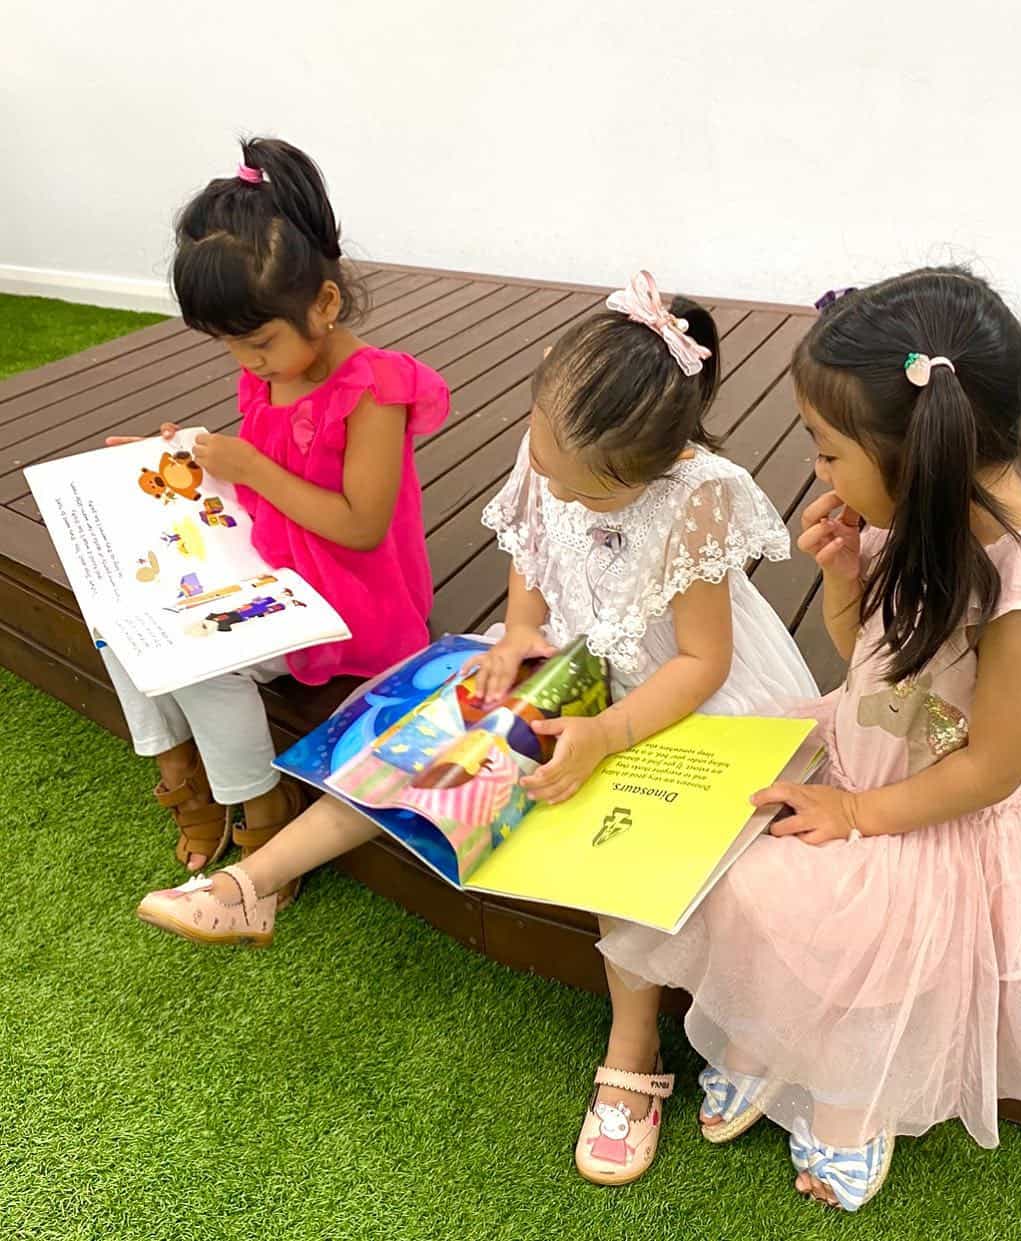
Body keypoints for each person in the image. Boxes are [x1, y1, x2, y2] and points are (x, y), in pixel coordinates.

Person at [134, 271, 818, 1190]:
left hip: (666, 696)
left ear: (663, 459)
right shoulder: (555, 443)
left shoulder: (699, 495)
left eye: (600, 496)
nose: (568, 495)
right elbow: (533, 556)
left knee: (619, 845)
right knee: (419, 752)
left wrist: (608, 732)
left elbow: (700, 662)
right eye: (555, 468)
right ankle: (254, 881)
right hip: (564, 663)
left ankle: (632, 1048)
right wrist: (525, 631)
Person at [599, 267, 1021, 1210]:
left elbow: (990, 765)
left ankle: (850, 1107)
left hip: (925, 810)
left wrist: (856, 813)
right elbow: (873, 663)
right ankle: (758, 1043)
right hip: (864, 744)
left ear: (916, 450)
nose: (815, 473)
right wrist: (843, 579)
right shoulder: (916, 513)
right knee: (737, 884)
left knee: (867, 961)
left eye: (826, 452)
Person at [106, 137, 448, 896]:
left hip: (352, 601)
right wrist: (180, 461)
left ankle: (260, 800)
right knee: (123, 617)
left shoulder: (374, 389)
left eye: (258, 342)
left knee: (199, 659)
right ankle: (177, 767)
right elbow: (259, 472)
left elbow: (361, 524)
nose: (247, 363)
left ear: (324, 304)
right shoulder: (271, 371)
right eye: (230, 346)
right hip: (275, 565)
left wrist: (250, 467)